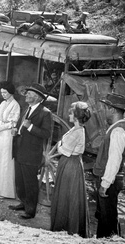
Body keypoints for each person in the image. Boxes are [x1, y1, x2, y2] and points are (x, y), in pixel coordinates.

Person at [9, 83, 52, 219]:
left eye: (30, 93)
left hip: (31, 154)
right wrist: (16, 130)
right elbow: (20, 125)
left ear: (38, 97)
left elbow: (46, 133)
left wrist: (31, 126)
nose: (26, 94)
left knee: (30, 183)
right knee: (20, 181)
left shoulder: (45, 113)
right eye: (27, 92)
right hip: (20, 150)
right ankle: (23, 202)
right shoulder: (26, 109)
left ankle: (30, 211)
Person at [50, 101, 91, 238]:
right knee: (66, 194)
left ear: (77, 116)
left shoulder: (77, 132)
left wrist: (60, 145)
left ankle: (68, 228)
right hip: (70, 163)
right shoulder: (76, 129)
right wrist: (62, 145)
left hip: (70, 165)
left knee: (68, 195)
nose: (69, 114)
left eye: (71, 112)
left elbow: (63, 150)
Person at [93, 93, 125, 238]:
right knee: (106, 217)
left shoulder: (118, 130)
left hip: (110, 181)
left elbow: (114, 159)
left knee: (107, 220)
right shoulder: (116, 128)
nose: (104, 111)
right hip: (112, 179)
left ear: (112, 110)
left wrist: (105, 183)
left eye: (105, 108)